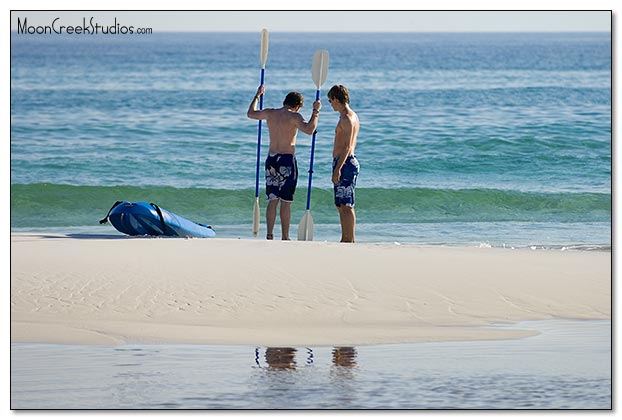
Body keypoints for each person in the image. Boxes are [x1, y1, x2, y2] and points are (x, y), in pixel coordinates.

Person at [247, 85, 321, 240]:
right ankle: (285, 236)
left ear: (285, 102)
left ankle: (269, 234)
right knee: (286, 201)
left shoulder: (270, 113)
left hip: (272, 160)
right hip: (287, 161)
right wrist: (315, 112)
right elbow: (309, 130)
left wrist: (257, 95)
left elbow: (250, 113)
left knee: (272, 199)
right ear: (297, 106)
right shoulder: (295, 116)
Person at [327, 85, 360, 243]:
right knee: (341, 204)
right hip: (344, 162)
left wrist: (337, 169)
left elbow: (347, 146)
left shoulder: (347, 118)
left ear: (335, 99)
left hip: (345, 163)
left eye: (330, 101)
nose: (330, 104)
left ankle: (350, 239)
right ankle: (345, 237)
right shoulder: (351, 116)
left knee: (346, 204)